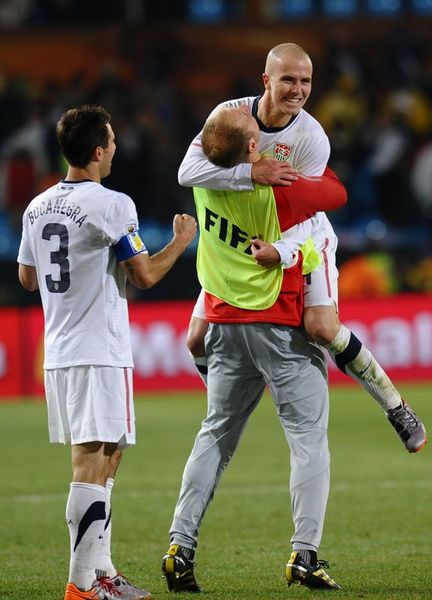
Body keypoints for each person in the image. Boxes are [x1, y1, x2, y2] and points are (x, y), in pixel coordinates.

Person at [179, 42, 426, 454]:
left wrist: (282, 250)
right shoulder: (229, 116)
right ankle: (227, 407)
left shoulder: (311, 137)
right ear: (266, 80)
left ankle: (396, 406)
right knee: (195, 339)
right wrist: (251, 173)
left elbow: (307, 213)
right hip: (240, 242)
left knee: (321, 328)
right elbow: (188, 171)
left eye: (306, 81)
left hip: (305, 237)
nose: (297, 90)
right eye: (288, 79)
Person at [161, 104, 348, 593]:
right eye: (254, 137)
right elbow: (334, 195)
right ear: (251, 147)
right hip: (280, 325)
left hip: (223, 323)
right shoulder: (281, 193)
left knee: (214, 436)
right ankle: (304, 555)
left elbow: (193, 167)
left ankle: (180, 546)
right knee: (308, 440)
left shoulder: (204, 185)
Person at [17, 105, 197, 600]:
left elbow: (28, 278)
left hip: (60, 348)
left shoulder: (36, 207)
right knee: (90, 464)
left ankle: (102, 572)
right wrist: (181, 240)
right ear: (98, 151)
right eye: (112, 142)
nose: (116, 148)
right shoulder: (113, 204)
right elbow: (145, 275)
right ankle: (80, 584)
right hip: (98, 348)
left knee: (107, 459)